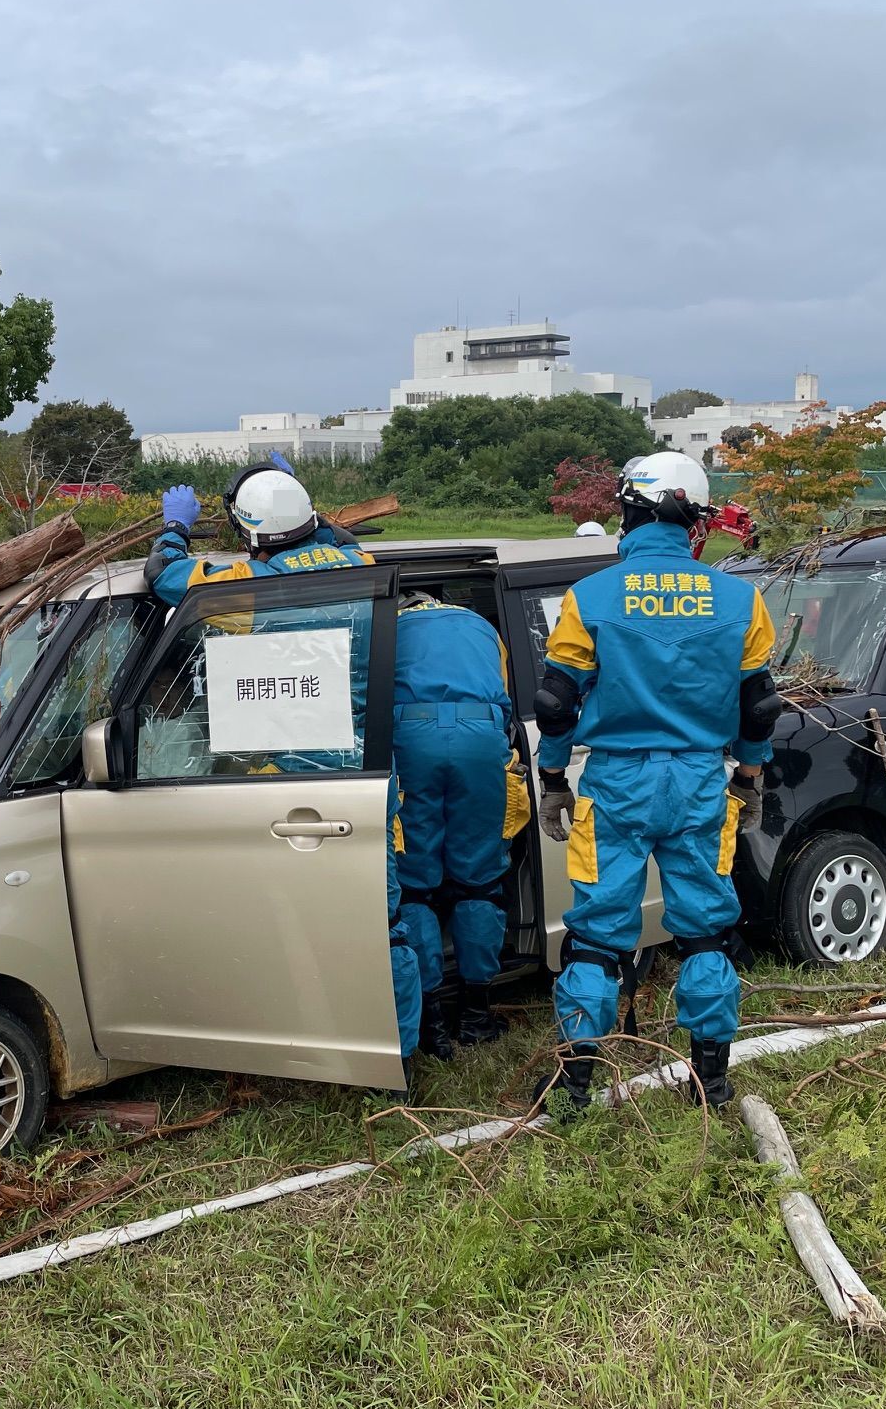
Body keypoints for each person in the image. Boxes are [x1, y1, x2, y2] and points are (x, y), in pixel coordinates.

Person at [145, 456, 423, 1093]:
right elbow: (338, 542)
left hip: (286, 776)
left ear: (248, 533)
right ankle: (397, 1055)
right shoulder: (361, 567)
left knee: (289, 918)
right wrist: (306, 509)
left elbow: (163, 577)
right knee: (382, 921)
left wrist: (174, 529)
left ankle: (303, 1039)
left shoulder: (242, 577)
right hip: (370, 773)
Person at [530, 452, 780, 1114]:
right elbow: (759, 705)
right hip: (701, 779)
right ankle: (713, 1080)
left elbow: (556, 702)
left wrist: (553, 776)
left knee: (597, 934)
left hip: (616, 784)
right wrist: (749, 778)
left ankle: (573, 1087)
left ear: (629, 512)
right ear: (695, 522)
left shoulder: (592, 598)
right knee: (705, 929)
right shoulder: (739, 599)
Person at [391, 593, 529, 1059]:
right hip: (480, 740)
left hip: (409, 741)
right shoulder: (481, 626)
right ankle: (476, 1016)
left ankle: (430, 1023)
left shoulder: (388, 625)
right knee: (480, 881)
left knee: (414, 886)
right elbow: (506, 697)